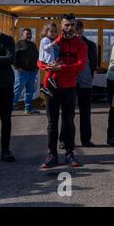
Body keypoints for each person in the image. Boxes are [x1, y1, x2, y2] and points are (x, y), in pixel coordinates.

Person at [38, 14, 87, 169]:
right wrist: (48, 67)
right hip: (52, 87)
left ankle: (69, 152)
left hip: (69, 87)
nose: (69, 28)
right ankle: (52, 154)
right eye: (66, 25)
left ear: (76, 27)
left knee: (68, 121)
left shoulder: (81, 45)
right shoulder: (52, 42)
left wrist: (62, 68)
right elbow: (40, 60)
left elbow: (80, 65)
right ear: (61, 26)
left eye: (72, 25)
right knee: (52, 122)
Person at [59, 20, 98, 148]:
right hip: (69, 82)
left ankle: (86, 139)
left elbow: (93, 63)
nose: (77, 31)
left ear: (83, 30)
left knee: (85, 112)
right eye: (75, 28)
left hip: (85, 83)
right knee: (68, 112)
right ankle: (64, 140)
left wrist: (88, 76)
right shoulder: (64, 43)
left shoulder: (91, 45)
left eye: (79, 28)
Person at [0, 13, 16, 163]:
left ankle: (5, 150)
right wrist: (0, 60)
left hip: (6, 85)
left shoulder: (7, 40)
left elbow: (10, 58)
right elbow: (4, 59)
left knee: (6, 119)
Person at [13, 28, 40, 114]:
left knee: (29, 91)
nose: (28, 35)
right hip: (22, 72)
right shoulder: (18, 44)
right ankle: (9, 108)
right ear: (22, 35)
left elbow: (37, 56)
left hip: (32, 72)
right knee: (17, 90)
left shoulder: (33, 45)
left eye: (30, 34)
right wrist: (17, 67)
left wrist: (37, 68)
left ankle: (28, 109)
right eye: (27, 34)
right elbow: (13, 57)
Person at [38, 22, 60, 98]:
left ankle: (51, 80)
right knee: (50, 72)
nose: (53, 33)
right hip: (46, 60)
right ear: (46, 32)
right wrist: (53, 43)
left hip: (51, 60)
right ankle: (45, 87)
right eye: (51, 31)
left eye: (55, 31)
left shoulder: (52, 39)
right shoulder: (45, 39)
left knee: (55, 71)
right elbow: (46, 48)